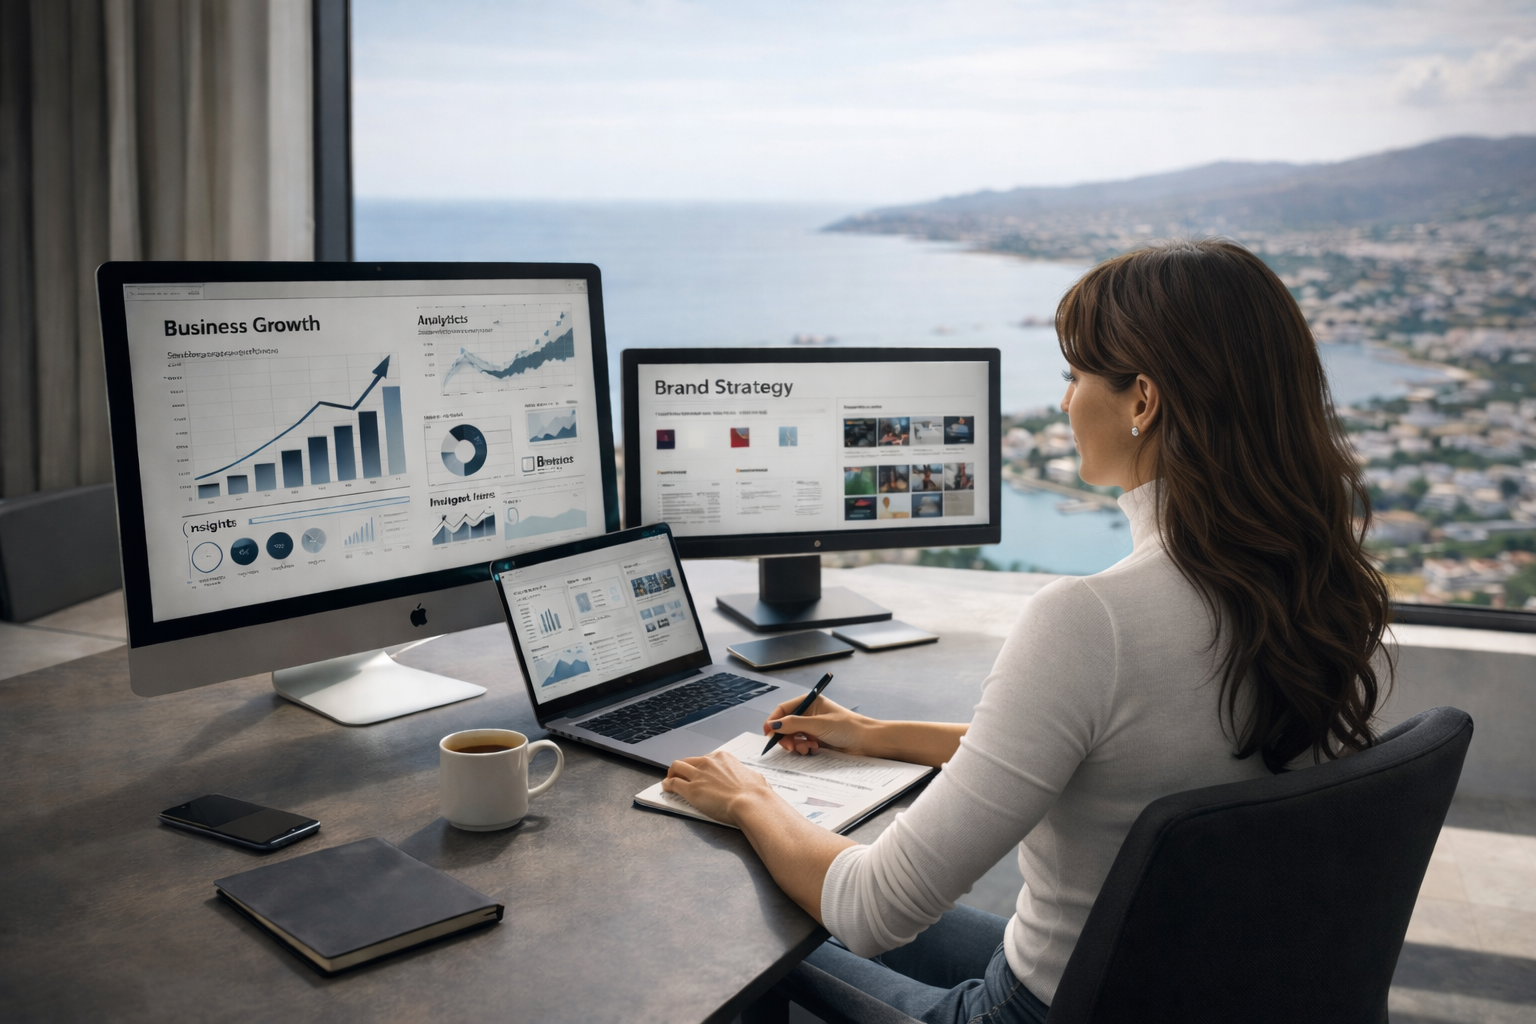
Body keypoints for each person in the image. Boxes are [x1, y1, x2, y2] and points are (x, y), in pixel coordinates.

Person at [662, 239, 1393, 1023]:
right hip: (1186, 986)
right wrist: (875, 733)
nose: (1064, 403)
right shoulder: (1320, 589)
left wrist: (747, 797)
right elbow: (1122, 749)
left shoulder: (1093, 620)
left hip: (1047, 1007)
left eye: (1074, 377)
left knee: (756, 938)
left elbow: (873, 909)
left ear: (1142, 401)